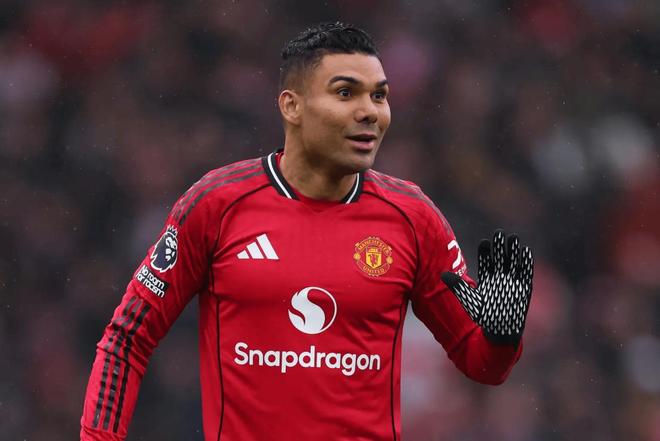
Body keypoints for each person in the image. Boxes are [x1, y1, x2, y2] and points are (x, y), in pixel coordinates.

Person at [80, 22, 534, 440]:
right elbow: (127, 339)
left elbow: (483, 366)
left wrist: (502, 336)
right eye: (346, 93)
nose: (369, 112)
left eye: (379, 96)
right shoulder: (216, 205)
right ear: (291, 106)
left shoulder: (413, 218)